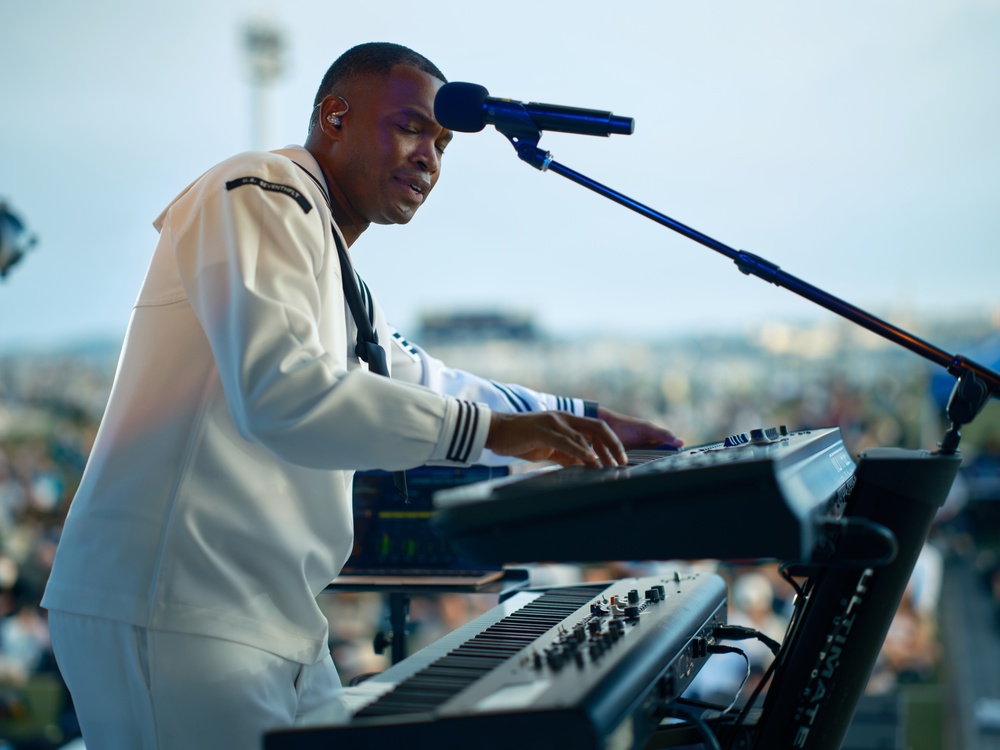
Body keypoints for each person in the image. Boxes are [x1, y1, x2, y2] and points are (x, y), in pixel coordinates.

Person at [41, 42, 680, 749]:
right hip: (173, 607)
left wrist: (584, 420)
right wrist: (493, 433)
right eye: (411, 126)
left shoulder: (334, 270)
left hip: (258, 614)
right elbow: (283, 392)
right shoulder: (259, 188)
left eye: (442, 142)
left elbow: (428, 383)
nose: (430, 156)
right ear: (334, 116)